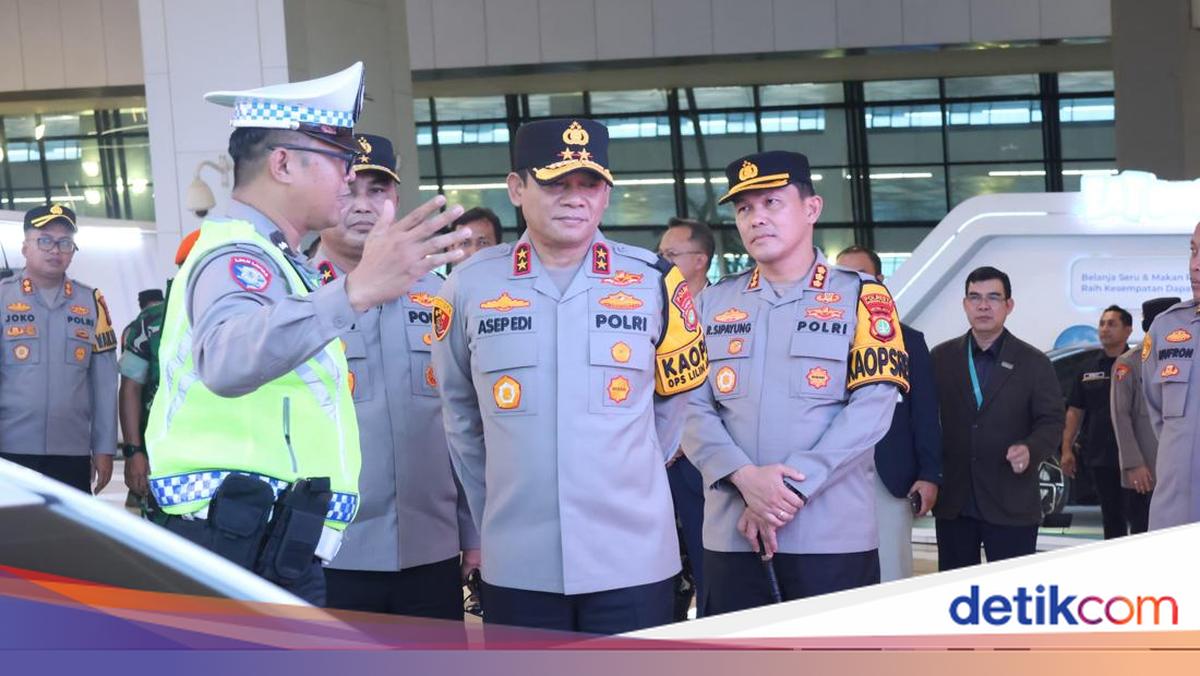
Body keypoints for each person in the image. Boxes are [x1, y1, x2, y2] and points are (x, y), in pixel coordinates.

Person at [142, 63, 473, 604]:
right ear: (282, 163)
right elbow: (227, 359)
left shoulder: (277, 260)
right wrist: (355, 291)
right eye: (338, 159)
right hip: (234, 539)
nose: (348, 179)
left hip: (267, 536)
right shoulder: (238, 256)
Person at [431, 118, 709, 634]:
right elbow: (461, 417)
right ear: (518, 188)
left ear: (605, 194)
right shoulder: (468, 286)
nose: (574, 197)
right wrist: (499, 509)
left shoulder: (655, 282)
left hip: (632, 557)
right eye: (556, 182)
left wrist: (626, 471)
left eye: (590, 184)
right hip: (519, 560)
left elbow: (674, 405)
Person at [683, 151, 907, 615]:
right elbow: (688, 405)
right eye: (744, 209)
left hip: (829, 538)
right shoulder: (712, 302)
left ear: (811, 209)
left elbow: (874, 405)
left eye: (771, 203)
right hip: (731, 535)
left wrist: (788, 493)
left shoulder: (862, 296)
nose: (756, 219)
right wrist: (745, 480)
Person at [312, 133, 480, 620]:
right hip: (325, 549)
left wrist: (472, 532)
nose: (363, 206)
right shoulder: (295, 296)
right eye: (349, 190)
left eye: (378, 191)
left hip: (430, 546)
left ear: (397, 202)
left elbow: (465, 420)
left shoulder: (442, 294)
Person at [931, 266, 1064, 570]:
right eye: (975, 297)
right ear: (965, 304)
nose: (983, 305)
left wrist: (1031, 449)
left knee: (1009, 598)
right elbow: (925, 421)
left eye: (993, 297)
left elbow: (1052, 420)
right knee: (953, 597)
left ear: (1009, 305)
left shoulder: (1034, 362)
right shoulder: (941, 358)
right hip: (954, 501)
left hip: (1011, 500)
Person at [836, 245, 942, 581]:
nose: (852, 284)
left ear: (879, 281)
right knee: (836, 572)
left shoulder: (908, 340)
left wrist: (929, 474)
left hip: (890, 473)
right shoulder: (820, 340)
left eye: (861, 276)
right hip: (832, 474)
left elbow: (925, 413)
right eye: (844, 276)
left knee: (892, 567)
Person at [0, 204, 118, 495]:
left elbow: (104, 383)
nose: (55, 250)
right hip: (10, 449)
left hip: (72, 453)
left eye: (65, 242)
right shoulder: (3, 297)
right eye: (45, 240)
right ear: (25, 247)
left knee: (65, 540)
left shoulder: (92, 302)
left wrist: (104, 447)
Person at [657, 216, 715, 619]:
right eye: (659, 253)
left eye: (670, 254)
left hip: (705, 466)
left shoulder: (726, 310)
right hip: (655, 463)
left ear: (700, 261)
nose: (661, 261)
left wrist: (686, 437)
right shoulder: (649, 307)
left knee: (710, 569)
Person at [118, 230, 201, 511]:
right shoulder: (151, 323)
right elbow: (130, 388)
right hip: (162, 454)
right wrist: (133, 451)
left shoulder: (244, 318)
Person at [1141, 222, 1200, 530]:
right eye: (1193, 251)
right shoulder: (1166, 328)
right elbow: (1157, 412)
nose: (1195, 266)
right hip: (1176, 507)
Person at [1059, 305, 1135, 539]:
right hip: (1101, 454)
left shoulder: (1139, 364)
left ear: (1128, 330)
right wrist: (1066, 449)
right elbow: (1074, 411)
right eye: (1102, 323)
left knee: (1141, 515)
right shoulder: (1088, 368)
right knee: (1111, 517)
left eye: (1112, 324)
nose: (1104, 329)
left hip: (1136, 455)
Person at [1110, 297, 1178, 534]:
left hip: (1179, 470)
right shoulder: (1129, 363)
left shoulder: (1186, 358)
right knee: (1144, 536)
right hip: (1145, 471)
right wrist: (1133, 463)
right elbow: (1121, 416)